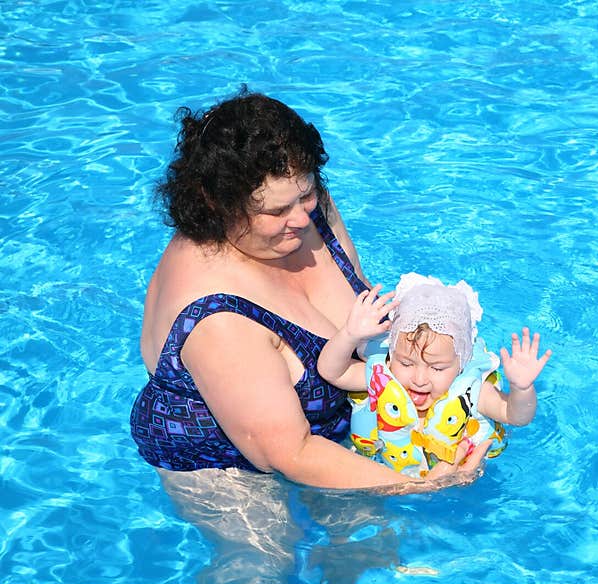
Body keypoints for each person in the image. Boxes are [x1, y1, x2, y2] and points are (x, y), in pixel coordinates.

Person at [129, 87, 492, 496]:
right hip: (228, 470)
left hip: (339, 433)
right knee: (271, 558)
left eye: (307, 194)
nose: (302, 219)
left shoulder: (300, 207)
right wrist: (422, 485)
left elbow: (362, 310)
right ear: (219, 207)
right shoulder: (218, 321)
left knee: (372, 550)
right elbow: (291, 453)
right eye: (277, 211)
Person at [317, 273, 552, 477]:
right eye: (406, 363)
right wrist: (349, 335)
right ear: (392, 352)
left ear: (462, 361)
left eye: (437, 368)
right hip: (385, 477)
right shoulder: (383, 375)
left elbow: (515, 416)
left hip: (458, 490)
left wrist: (522, 389)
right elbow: (331, 372)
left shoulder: (473, 392)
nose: (419, 379)